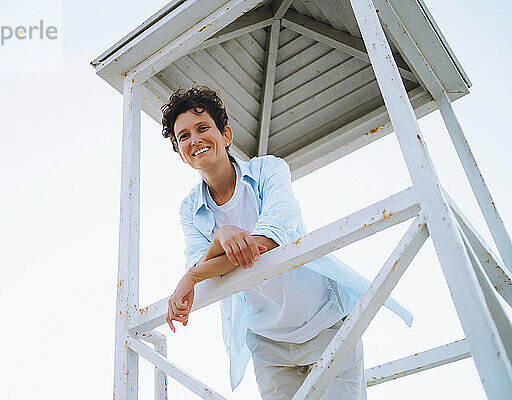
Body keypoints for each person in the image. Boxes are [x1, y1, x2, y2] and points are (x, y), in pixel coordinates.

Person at [161, 85, 412, 400]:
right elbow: (203, 267)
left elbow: (268, 240)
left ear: (225, 135)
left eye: (202, 128)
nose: (194, 139)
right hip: (268, 344)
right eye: (183, 136)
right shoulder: (190, 209)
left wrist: (195, 274)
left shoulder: (269, 170)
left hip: (326, 323)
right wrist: (219, 237)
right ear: (181, 154)